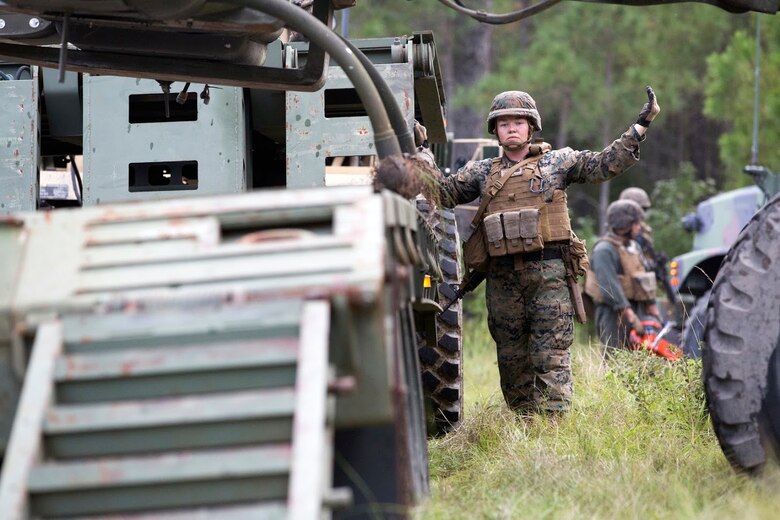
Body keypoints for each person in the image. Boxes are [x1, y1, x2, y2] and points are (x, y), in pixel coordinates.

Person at [410, 86, 660, 414]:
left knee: (551, 357)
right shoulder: (482, 172)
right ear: (495, 131)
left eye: (518, 121)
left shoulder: (558, 162)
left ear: (531, 127)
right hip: (502, 281)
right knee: (512, 364)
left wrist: (641, 124)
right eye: (503, 123)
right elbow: (440, 194)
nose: (511, 127)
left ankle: (551, 431)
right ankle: (528, 428)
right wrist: (423, 151)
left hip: (550, 276)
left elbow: (605, 164)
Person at [584, 199, 661, 355]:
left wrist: (652, 308)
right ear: (625, 225)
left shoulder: (633, 246)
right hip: (613, 313)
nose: (639, 227)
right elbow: (609, 287)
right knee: (615, 358)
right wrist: (630, 316)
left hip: (635, 308)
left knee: (640, 358)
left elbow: (641, 276)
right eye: (636, 223)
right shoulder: (604, 250)